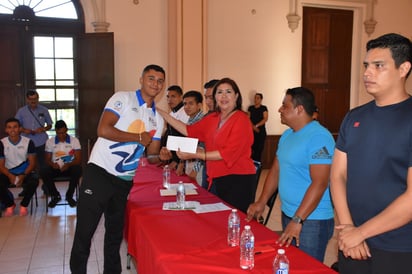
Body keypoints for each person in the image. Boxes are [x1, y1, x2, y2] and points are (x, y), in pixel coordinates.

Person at [70, 64, 165, 274]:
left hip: (124, 180)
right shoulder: (122, 98)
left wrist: (163, 156)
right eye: (151, 78)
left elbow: (151, 155)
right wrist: (138, 137)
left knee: (114, 236)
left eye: (160, 81)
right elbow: (103, 129)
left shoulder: (157, 119)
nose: (155, 84)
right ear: (141, 79)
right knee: (84, 234)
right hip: (100, 172)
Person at [330, 33, 412, 274]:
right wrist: (347, 228)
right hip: (352, 240)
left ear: (403, 68)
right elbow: (337, 176)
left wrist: (360, 232)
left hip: (397, 246)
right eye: (366, 65)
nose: (367, 73)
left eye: (379, 66)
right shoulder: (354, 116)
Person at [246, 87, 335, 262]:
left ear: (299, 109)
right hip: (290, 214)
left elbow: (320, 183)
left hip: (312, 220)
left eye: (284, 106)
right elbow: (275, 171)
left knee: (307, 267)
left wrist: (298, 219)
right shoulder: (287, 135)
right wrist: (262, 202)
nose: (279, 109)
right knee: (291, 263)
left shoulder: (319, 137)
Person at [158, 78, 256, 213]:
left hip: (237, 179)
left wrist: (196, 154)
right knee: (216, 220)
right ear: (215, 97)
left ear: (236, 96)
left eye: (228, 92)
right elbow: (188, 130)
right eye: (219, 92)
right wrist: (161, 113)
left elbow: (226, 153)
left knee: (233, 220)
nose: (224, 96)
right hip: (215, 177)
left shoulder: (241, 119)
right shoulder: (213, 118)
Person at [0, 118, 39, 217]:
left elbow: (32, 163)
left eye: (15, 127)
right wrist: (10, 175)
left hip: (25, 172)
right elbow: (1, 165)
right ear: (6, 130)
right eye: (9, 127)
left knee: (34, 181)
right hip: (8, 172)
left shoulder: (29, 142)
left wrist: (23, 175)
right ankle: (10, 205)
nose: (12, 130)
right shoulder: (1, 143)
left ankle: (24, 205)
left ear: (20, 129)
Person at [41, 120, 82, 208]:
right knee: (44, 171)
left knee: (77, 169)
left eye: (63, 132)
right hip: (55, 167)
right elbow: (47, 159)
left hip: (69, 166)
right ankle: (55, 196)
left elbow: (78, 160)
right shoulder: (50, 141)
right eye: (59, 133)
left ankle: (69, 196)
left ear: (67, 130)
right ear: (55, 131)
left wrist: (68, 165)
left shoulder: (74, 141)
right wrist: (52, 165)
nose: (62, 135)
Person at [15, 90, 53, 171]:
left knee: (44, 164)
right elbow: (16, 125)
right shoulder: (21, 111)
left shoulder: (44, 110)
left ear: (38, 99)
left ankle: (45, 182)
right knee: (27, 163)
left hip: (41, 141)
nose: (33, 101)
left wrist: (43, 129)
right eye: (31, 99)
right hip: (26, 142)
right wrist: (24, 130)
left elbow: (50, 125)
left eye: (35, 99)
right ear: (27, 100)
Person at [161, 85, 189, 172]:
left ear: (181, 97)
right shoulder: (172, 113)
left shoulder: (185, 113)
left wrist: (177, 161)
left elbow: (185, 139)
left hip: (181, 160)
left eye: (173, 96)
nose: (170, 100)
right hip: (171, 158)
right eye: (168, 97)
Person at [248, 92, 268, 162]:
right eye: (255, 98)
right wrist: (253, 127)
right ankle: (251, 169)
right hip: (251, 132)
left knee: (259, 151)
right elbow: (248, 118)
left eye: (258, 98)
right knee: (251, 151)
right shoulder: (250, 108)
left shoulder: (264, 108)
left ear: (261, 99)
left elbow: (265, 118)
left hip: (261, 132)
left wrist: (257, 126)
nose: (256, 99)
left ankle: (257, 169)